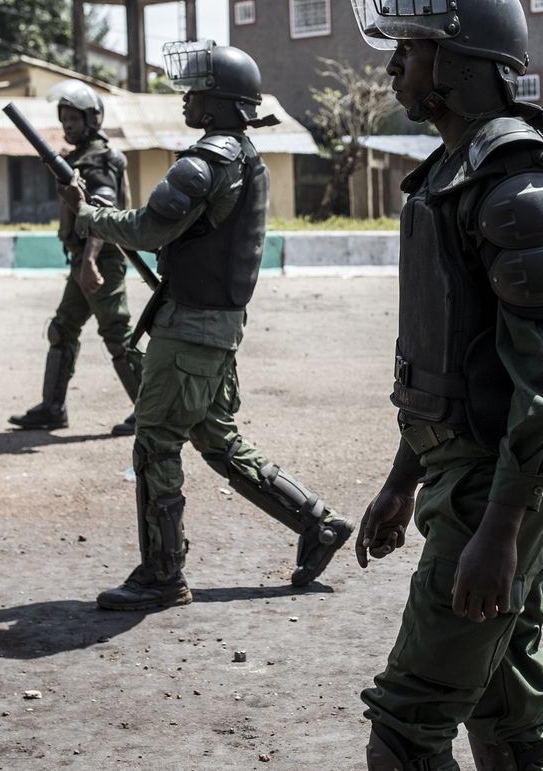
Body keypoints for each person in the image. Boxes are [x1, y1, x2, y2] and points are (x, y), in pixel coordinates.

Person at [347, 0, 543, 770]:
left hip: (498, 486)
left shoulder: (516, 185)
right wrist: (401, 477)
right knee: (505, 712)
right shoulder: (449, 175)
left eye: (409, 50)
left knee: (406, 731)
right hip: (463, 475)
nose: (393, 67)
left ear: (461, 63)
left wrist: (502, 530)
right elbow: (447, 360)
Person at [62, 40, 354, 611]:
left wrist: (89, 213)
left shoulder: (209, 158)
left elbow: (148, 228)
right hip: (214, 326)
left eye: (196, 92)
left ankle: (161, 576)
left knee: (155, 444)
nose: (186, 100)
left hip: (191, 330)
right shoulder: (240, 156)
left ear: (219, 103)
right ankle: (317, 523)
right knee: (217, 440)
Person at [9, 79, 143, 436]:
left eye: (74, 119)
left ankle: (150, 411)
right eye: (64, 118)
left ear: (92, 120)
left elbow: (102, 212)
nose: (68, 125)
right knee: (62, 330)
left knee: (117, 335)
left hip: (100, 260)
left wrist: (90, 264)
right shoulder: (79, 158)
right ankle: (53, 408)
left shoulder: (98, 159)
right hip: (84, 260)